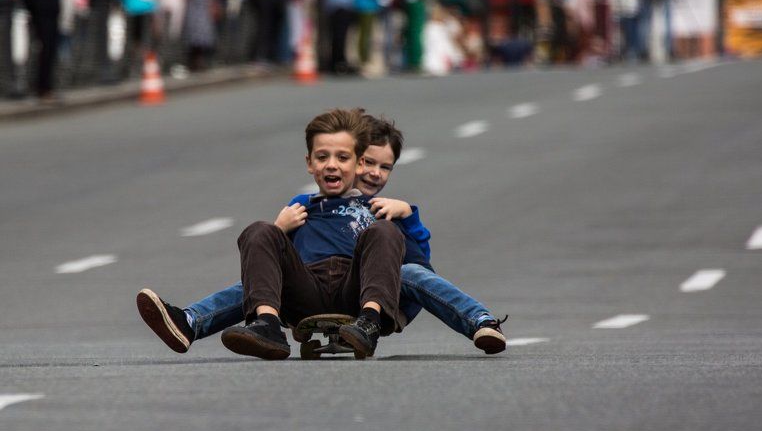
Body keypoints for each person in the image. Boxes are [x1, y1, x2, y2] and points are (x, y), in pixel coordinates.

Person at [136, 114, 507, 356]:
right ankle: (207, 324)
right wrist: (279, 230)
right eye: (326, 157)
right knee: (260, 232)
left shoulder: (384, 211)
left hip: (361, 294)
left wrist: (408, 217)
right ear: (311, 164)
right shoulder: (303, 205)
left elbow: (418, 271)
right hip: (306, 290)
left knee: (397, 253)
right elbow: (270, 265)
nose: (374, 173)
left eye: (383, 167)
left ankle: (479, 322)